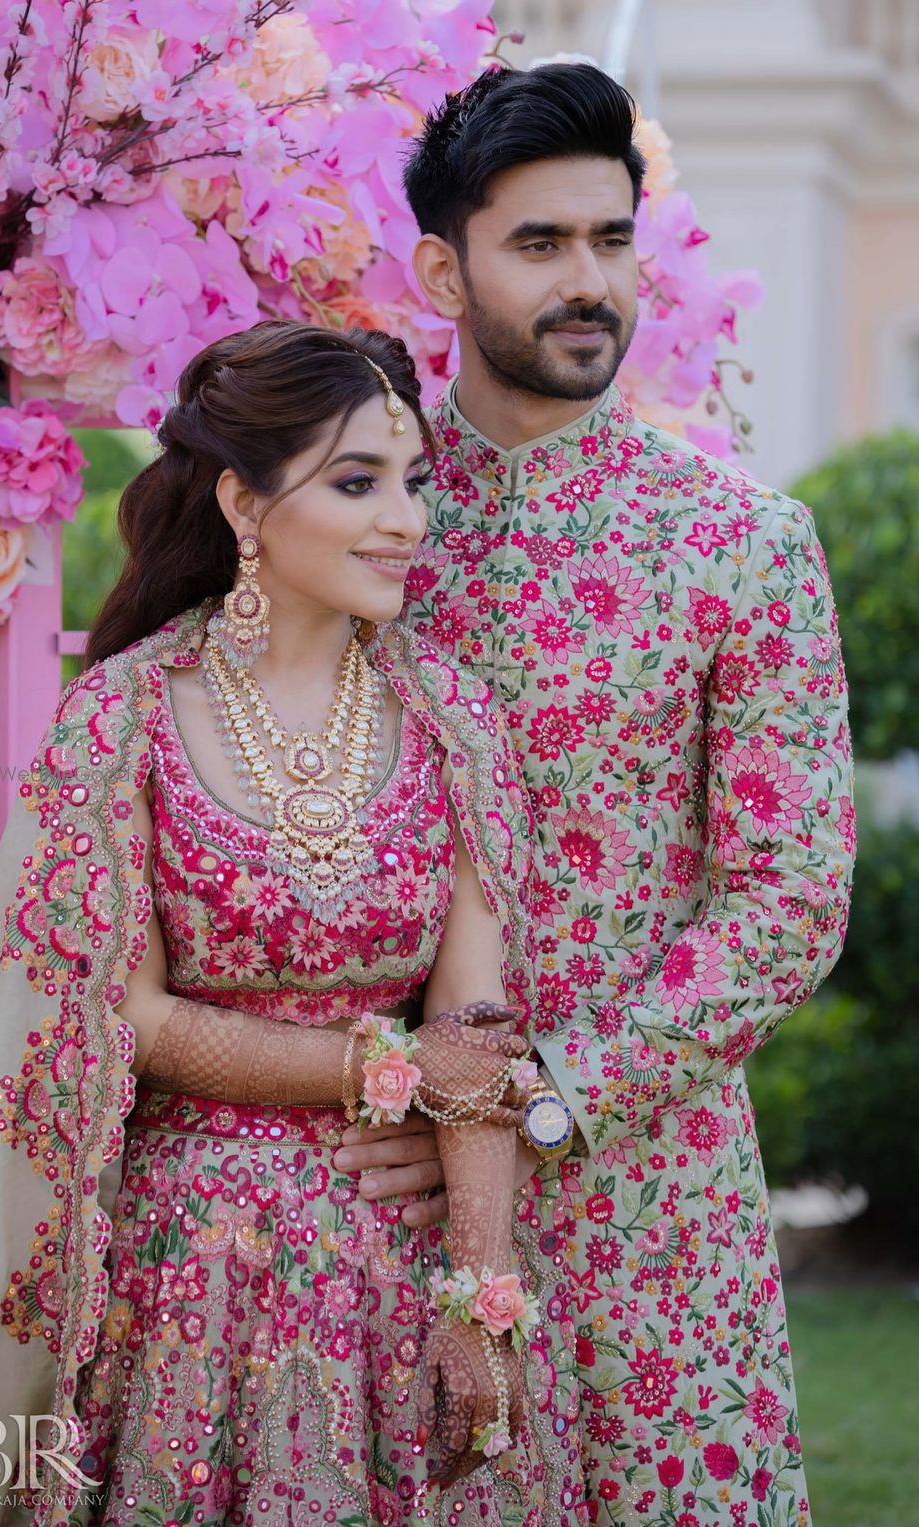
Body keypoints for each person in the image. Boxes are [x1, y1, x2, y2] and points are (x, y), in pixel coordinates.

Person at [0, 323, 586, 1526]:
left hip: (399, 1266)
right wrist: (384, 1070)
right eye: (356, 482)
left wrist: (481, 1296)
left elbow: (474, 1028)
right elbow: (128, 1014)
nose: (406, 521)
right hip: (189, 1278)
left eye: (414, 482)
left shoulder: (453, 723)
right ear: (242, 500)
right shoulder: (125, 720)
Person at [388, 61, 855, 1526]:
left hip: (658, 1201)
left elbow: (787, 898)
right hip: (387, 1187)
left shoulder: (742, 545)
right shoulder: (359, 528)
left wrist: (551, 1100)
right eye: (540, 244)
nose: (589, 281)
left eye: (611, 239)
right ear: (440, 269)